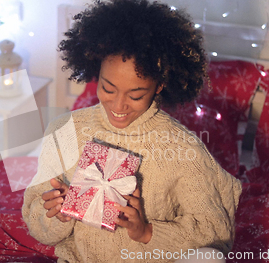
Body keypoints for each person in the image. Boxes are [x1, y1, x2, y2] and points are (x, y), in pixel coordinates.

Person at [22, 0, 242, 262]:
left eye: (135, 95)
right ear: (96, 70)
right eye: (108, 88)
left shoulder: (183, 149)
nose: (118, 106)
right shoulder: (65, 130)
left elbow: (215, 232)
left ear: (159, 86)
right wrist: (57, 214)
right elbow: (37, 222)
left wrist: (147, 231)